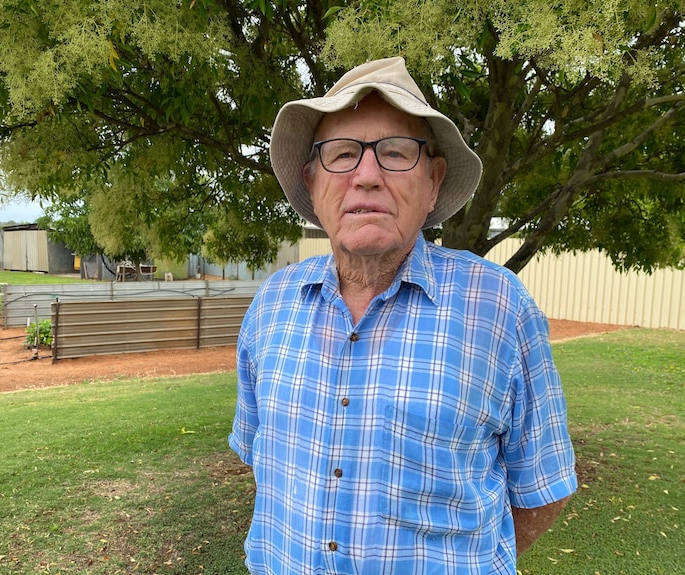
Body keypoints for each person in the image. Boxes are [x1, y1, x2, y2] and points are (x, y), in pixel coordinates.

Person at [229, 57, 577, 575]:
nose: (366, 176)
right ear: (312, 182)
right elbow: (262, 461)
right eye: (342, 154)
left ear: (434, 180)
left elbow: (543, 488)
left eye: (395, 153)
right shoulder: (270, 306)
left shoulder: (499, 308)